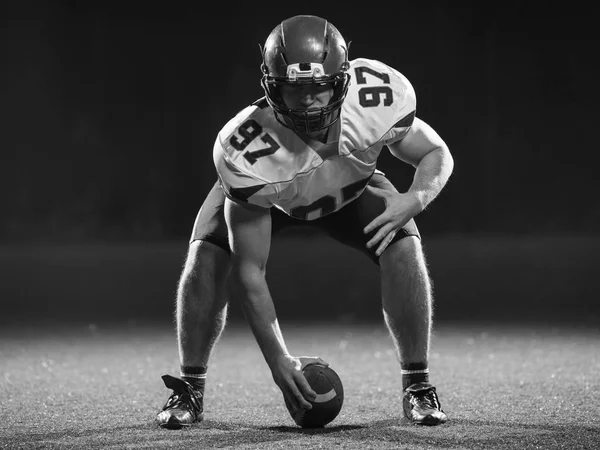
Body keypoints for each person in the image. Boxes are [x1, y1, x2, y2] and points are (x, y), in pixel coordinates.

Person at [156, 14, 454, 429]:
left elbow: (436, 153)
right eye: (295, 91)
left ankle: (418, 385)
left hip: (350, 189)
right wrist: (277, 358)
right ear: (271, 85)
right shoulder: (247, 154)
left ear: (342, 79)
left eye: (319, 87)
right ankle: (189, 388)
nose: (309, 102)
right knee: (205, 259)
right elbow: (250, 273)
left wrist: (415, 199)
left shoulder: (376, 99)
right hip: (271, 201)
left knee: (404, 245)